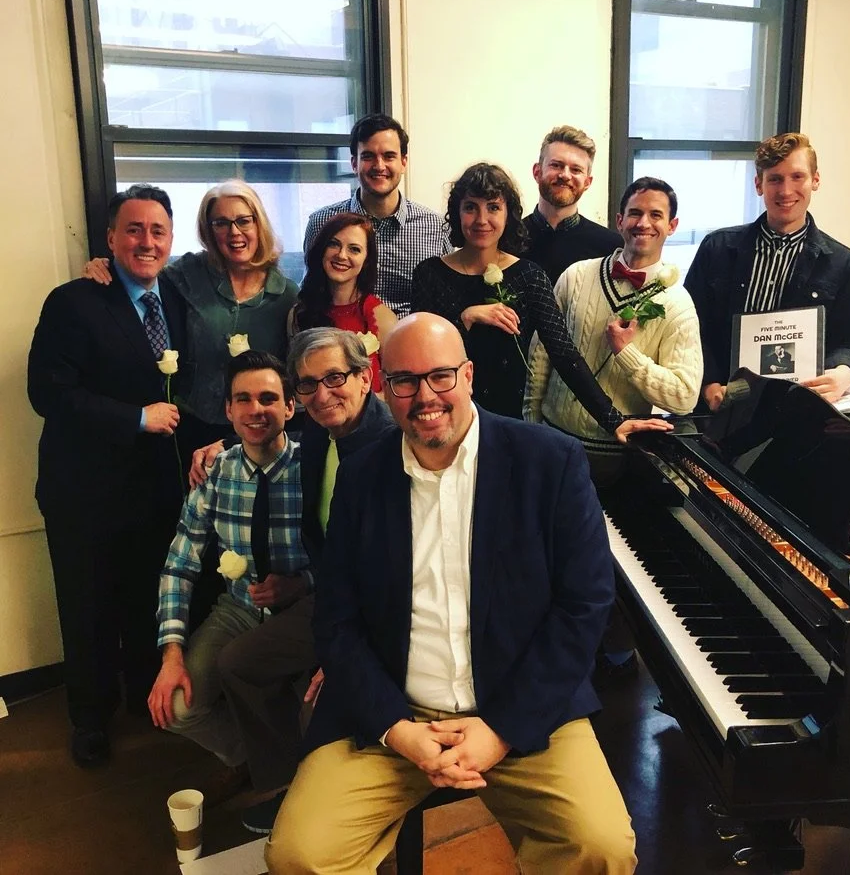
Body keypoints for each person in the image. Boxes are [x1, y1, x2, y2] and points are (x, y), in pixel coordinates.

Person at [265, 313, 637, 874]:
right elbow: (337, 622)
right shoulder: (361, 477)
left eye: (440, 376)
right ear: (382, 386)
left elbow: (584, 607)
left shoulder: (548, 461)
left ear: (468, 374)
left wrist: (501, 729)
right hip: (395, 717)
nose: (424, 396)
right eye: (404, 381)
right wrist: (399, 730)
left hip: (521, 708)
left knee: (602, 847)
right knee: (299, 855)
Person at [189, 329, 395, 833]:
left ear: (366, 377)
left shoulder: (390, 447)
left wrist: (344, 647)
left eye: (335, 378)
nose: (322, 394)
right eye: (308, 385)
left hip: (377, 613)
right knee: (239, 662)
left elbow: (396, 572)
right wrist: (224, 443)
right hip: (328, 598)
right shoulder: (322, 435)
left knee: (315, 705)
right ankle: (284, 786)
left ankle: (327, 816)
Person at [28, 184, 187, 767]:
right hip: (83, 491)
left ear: (171, 240)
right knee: (87, 607)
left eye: (158, 231)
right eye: (135, 230)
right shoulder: (74, 301)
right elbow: (47, 392)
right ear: (111, 238)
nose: (147, 241)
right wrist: (134, 419)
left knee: (145, 597)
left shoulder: (174, 295)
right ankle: (89, 718)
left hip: (151, 490)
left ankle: (146, 695)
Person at [147, 351, 313, 801]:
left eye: (267, 398)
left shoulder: (311, 469)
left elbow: (349, 560)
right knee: (179, 706)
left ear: (289, 406)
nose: (255, 410)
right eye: (243, 399)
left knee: (311, 708)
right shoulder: (216, 472)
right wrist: (171, 656)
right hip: (236, 609)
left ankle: (298, 776)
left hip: (301, 615)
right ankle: (250, 757)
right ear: (227, 410)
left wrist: (301, 583)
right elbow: (179, 565)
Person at [412, 162, 671, 440]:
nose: (481, 219)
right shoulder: (430, 273)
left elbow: (563, 352)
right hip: (444, 415)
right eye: (470, 207)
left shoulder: (529, 276)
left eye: (493, 207)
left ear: (508, 214)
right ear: (457, 212)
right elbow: (421, 353)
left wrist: (613, 420)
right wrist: (466, 318)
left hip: (507, 420)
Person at [83, 179, 299, 458]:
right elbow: (141, 271)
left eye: (244, 221)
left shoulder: (287, 295)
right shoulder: (188, 272)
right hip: (190, 426)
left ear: (259, 224)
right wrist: (104, 265)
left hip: (255, 431)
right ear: (208, 231)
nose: (234, 232)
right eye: (220, 223)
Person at [524, 176, 702, 482]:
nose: (643, 223)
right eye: (635, 213)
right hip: (555, 442)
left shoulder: (678, 304)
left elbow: (684, 396)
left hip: (620, 457)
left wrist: (628, 354)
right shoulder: (576, 276)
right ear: (620, 221)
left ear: (671, 226)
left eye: (656, 215)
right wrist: (532, 422)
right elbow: (542, 353)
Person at [684, 132, 850, 410]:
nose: (785, 191)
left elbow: (847, 342)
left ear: (815, 180)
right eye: (775, 179)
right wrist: (707, 383)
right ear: (759, 184)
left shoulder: (842, 262)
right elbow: (690, 328)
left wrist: (844, 372)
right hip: (720, 407)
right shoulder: (717, 248)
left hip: (797, 412)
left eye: (797, 177)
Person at [303, 114, 451, 317]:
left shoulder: (436, 227)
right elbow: (310, 292)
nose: (379, 166)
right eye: (368, 156)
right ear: (354, 163)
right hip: (341, 342)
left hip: (410, 343)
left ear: (403, 162)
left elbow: (444, 301)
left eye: (389, 156)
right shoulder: (322, 223)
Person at [288, 213, 397, 395]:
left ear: (366, 260)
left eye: (354, 249)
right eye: (333, 244)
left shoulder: (383, 319)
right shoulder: (299, 314)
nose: (341, 255)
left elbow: (394, 389)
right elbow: (297, 386)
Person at [523, 125, 623, 284]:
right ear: (537, 172)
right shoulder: (508, 238)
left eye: (576, 169)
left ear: (587, 182)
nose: (565, 175)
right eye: (556, 165)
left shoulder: (611, 248)